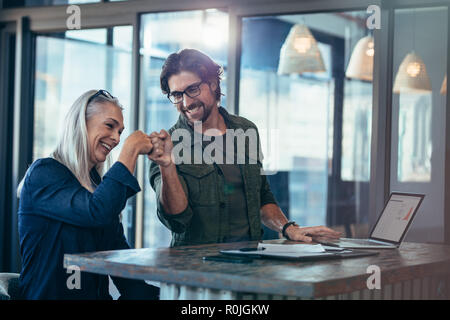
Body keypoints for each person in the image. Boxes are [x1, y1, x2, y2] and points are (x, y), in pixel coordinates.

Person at [148, 48, 341, 247]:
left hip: (250, 263)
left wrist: (288, 228)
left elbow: (261, 196)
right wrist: (167, 166)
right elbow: (176, 220)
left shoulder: (246, 130)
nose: (186, 102)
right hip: (194, 269)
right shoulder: (167, 146)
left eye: (193, 89)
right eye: (177, 95)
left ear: (213, 84)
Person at [17, 90, 160, 300]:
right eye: (110, 126)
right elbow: (96, 211)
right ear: (80, 123)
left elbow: (118, 258)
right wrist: (129, 151)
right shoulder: (43, 173)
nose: (116, 138)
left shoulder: (98, 189)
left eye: (120, 132)